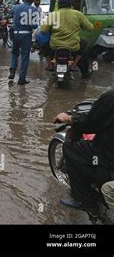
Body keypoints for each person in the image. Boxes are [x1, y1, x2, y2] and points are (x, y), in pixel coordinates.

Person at [55, 89, 114, 217]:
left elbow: (89, 123)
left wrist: (68, 118)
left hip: (108, 157)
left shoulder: (110, 97)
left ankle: (85, 201)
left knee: (71, 148)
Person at [40, 0, 94, 77]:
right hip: (73, 46)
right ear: (70, 5)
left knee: (43, 45)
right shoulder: (77, 14)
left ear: (58, 5)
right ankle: (75, 66)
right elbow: (90, 28)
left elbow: (43, 30)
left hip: (55, 45)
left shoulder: (54, 14)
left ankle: (50, 65)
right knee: (85, 44)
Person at [8, 0, 39, 85]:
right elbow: (34, 25)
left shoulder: (16, 7)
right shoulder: (34, 10)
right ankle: (21, 79)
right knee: (25, 57)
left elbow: (10, 15)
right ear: (32, 1)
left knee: (14, 53)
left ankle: (12, 69)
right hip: (26, 36)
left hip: (15, 34)